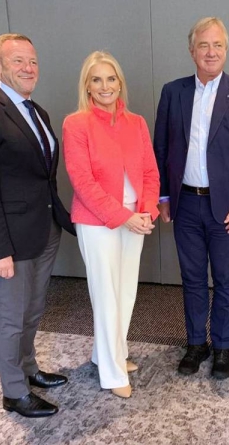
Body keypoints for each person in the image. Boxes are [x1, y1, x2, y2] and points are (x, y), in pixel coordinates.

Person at [0, 33, 75, 417]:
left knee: (33, 308)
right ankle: (13, 392)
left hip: (43, 229)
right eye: (18, 60)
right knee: (10, 314)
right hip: (9, 238)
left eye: (33, 61)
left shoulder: (36, 111)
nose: (28, 68)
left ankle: (28, 369)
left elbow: (42, 176)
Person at [153, 17, 229, 379]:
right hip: (185, 204)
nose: (211, 52)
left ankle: (222, 347)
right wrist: (164, 195)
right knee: (193, 277)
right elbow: (162, 147)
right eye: (204, 45)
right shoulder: (173, 92)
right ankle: (196, 344)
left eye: (217, 45)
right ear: (192, 50)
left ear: (226, 50)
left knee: (226, 279)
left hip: (225, 208)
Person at [63, 51, 160, 399]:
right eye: (97, 79)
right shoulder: (76, 124)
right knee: (106, 295)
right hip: (98, 221)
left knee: (125, 292)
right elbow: (82, 182)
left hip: (136, 219)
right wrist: (124, 216)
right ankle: (112, 371)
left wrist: (147, 211)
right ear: (87, 86)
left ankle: (110, 353)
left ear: (120, 83)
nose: (106, 87)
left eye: (111, 79)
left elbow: (150, 171)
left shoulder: (136, 123)